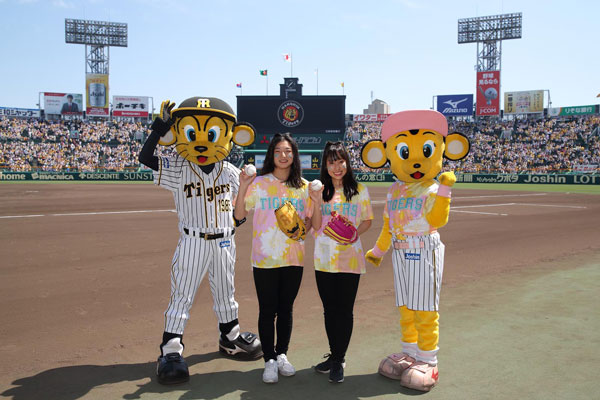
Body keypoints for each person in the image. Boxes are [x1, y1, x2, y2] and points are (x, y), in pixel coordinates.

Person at [138, 97, 261, 385]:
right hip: (193, 240)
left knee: (226, 292)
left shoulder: (230, 171)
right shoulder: (179, 167)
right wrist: (159, 129)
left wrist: (238, 218)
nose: (204, 144)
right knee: (182, 294)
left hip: (225, 240)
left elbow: (242, 206)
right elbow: (145, 159)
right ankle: (170, 349)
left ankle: (230, 337)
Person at [234, 132, 323, 384]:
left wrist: (315, 202)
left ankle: (282, 354)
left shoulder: (304, 187)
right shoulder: (259, 183)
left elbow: (313, 226)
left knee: (286, 310)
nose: (283, 156)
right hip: (264, 259)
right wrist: (242, 186)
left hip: (293, 258)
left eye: (288, 151)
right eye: (278, 151)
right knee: (267, 310)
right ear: (271, 155)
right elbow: (239, 214)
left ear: (294, 156)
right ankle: (269, 360)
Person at [312, 141, 373, 383]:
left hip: (350, 258)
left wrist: (355, 233)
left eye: (340, 161)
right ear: (325, 166)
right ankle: (334, 355)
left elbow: (368, 219)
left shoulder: (359, 190)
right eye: (331, 162)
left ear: (347, 162)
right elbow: (315, 226)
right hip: (324, 259)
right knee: (329, 310)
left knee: (344, 310)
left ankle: (339, 359)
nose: (336, 167)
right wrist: (316, 202)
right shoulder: (320, 191)